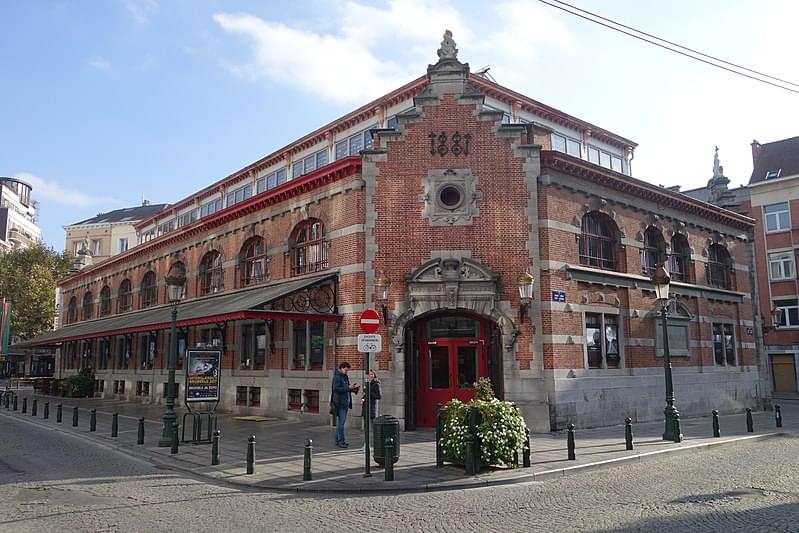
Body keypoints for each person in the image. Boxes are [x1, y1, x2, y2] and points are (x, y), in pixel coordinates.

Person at [331, 361, 359, 448]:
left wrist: (352, 388)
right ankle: (340, 441)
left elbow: (346, 388)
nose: (347, 372)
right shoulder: (337, 377)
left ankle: (338, 440)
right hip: (340, 403)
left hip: (346, 402)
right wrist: (348, 387)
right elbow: (336, 389)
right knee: (341, 423)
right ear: (341, 368)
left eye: (347, 370)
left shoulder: (345, 376)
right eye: (346, 370)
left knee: (341, 423)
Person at [360, 370, 382, 452]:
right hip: (365, 407)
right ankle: (366, 444)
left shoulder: (376, 384)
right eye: (369, 374)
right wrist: (363, 398)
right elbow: (365, 394)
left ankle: (376, 444)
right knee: (366, 427)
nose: (371, 376)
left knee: (373, 427)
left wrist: (369, 393)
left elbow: (378, 396)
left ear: (374, 375)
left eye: (372, 374)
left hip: (371, 407)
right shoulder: (367, 384)